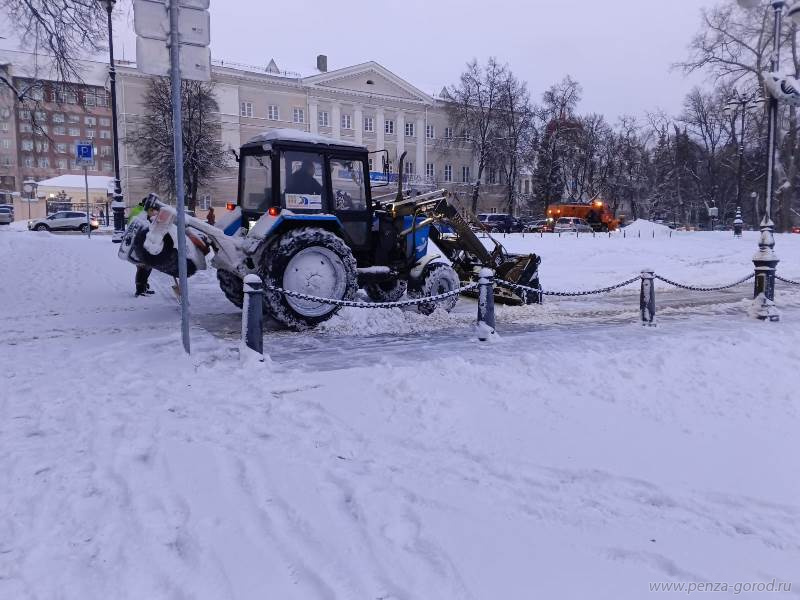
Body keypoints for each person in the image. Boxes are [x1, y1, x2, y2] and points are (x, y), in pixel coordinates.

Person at [128, 202, 156, 297]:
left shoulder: (140, 212)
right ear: (148, 208)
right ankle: (140, 290)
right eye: (152, 210)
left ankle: (144, 287)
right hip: (138, 246)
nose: (154, 213)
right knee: (143, 268)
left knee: (147, 267)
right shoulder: (140, 215)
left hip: (141, 245)